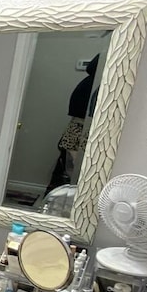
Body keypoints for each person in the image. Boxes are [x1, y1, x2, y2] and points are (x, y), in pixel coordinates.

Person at [45, 54, 100, 195]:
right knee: (71, 173)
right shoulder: (95, 85)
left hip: (75, 129)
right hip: (80, 131)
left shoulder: (88, 82)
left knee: (64, 170)